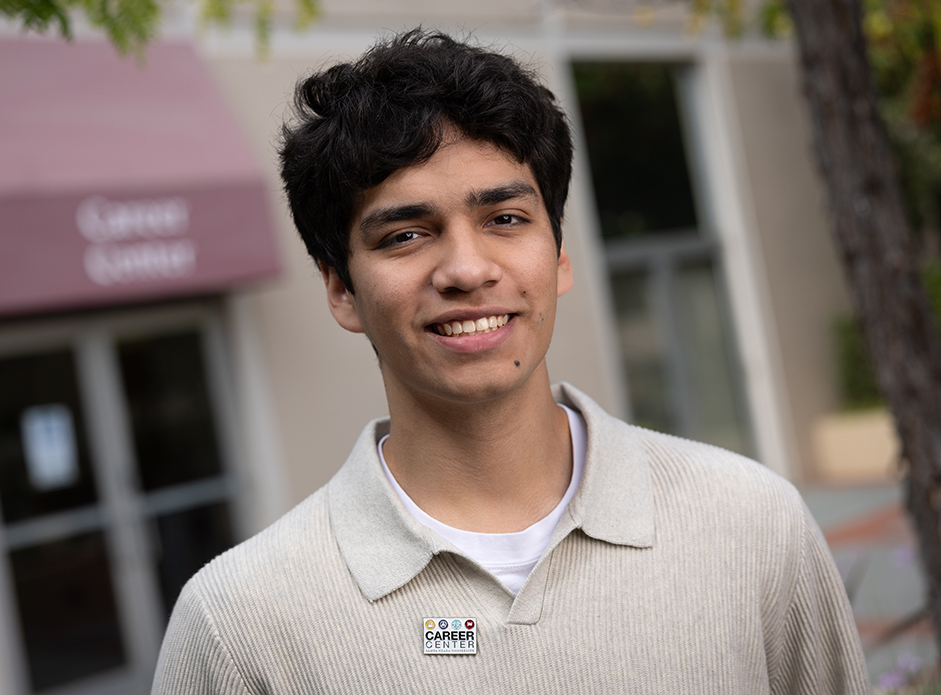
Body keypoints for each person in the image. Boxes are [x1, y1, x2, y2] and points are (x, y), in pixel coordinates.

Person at [152, 29, 869, 693]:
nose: (466, 268)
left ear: (558, 255)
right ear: (341, 289)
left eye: (504, 219)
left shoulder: (754, 526)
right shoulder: (237, 627)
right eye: (405, 234)